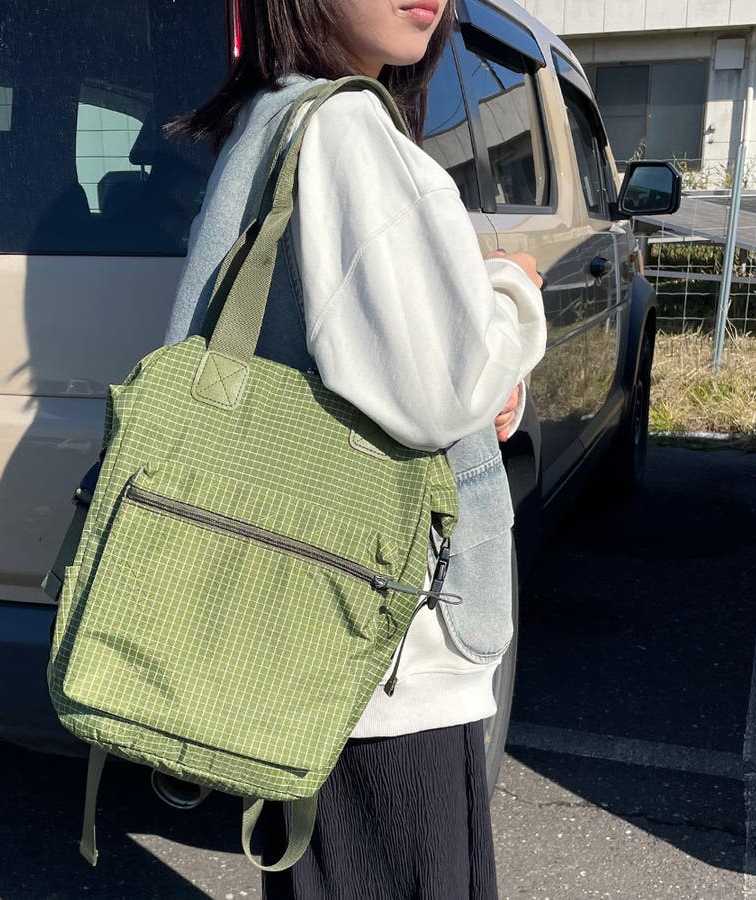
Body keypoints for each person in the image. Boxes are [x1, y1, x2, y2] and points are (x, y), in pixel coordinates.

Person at [162, 1, 547, 897]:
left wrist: (469, 378)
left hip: (306, 636)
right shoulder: (345, 127)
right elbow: (438, 390)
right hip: (381, 652)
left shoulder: (274, 114)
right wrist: (508, 291)